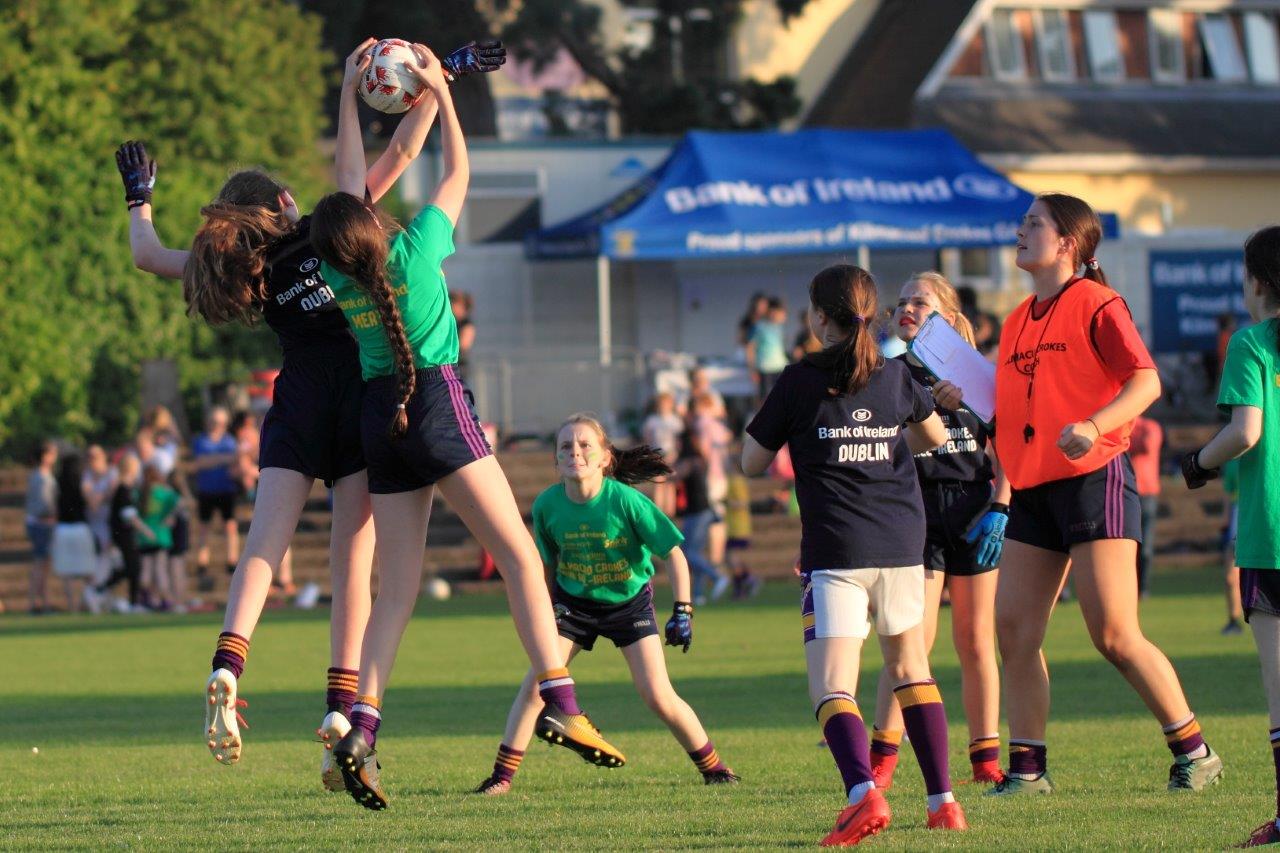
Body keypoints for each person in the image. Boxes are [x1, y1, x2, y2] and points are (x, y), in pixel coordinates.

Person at [118, 38, 502, 778]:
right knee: (351, 561)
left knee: (266, 543)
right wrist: (434, 77)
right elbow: (402, 144)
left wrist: (141, 198)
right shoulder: (330, 233)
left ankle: (230, 658)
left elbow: (146, 254)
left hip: (295, 403)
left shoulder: (247, 267)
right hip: (361, 398)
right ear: (286, 204)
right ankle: (338, 702)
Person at [310, 44, 620, 811]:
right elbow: (457, 173)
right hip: (438, 400)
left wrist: (353, 96)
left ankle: (363, 731)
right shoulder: (413, 251)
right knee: (519, 557)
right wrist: (443, 97)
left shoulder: (334, 273)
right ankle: (564, 703)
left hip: (381, 413)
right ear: (371, 222)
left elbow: (348, 191)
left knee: (396, 595)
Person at [934, 193, 1221, 795]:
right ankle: (1029, 769)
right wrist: (969, 404)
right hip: (1034, 489)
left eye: (1033, 224)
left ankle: (1194, 749)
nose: (1020, 231)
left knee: (1114, 634)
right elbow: (1011, 413)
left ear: (1069, 243)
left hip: (1096, 478)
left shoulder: (1097, 302)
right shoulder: (1015, 320)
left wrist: (1093, 425)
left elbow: (1147, 380)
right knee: (1012, 630)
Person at [742, 263, 966, 845]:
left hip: (837, 551)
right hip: (900, 546)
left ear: (820, 318)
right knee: (911, 670)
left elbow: (750, 462)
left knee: (832, 687)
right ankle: (944, 802)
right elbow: (935, 439)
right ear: (873, 314)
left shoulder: (797, 380)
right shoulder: (894, 376)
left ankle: (863, 795)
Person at [473, 414, 739, 795]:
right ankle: (501, 778)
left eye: (585, 445)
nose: (575, 452)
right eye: (565, 446)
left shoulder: (626, 501)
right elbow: (545, 568)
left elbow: (675, 555)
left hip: (628, 605)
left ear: (604, 458)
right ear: (556, 459)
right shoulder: (548, 505)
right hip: (573, 606)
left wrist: (683, 610)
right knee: (535, 688)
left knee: (657, 695)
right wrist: (544, 612)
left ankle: (715, 769)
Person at [870, 272, 1009, 790]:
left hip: (974, 509)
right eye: (902, 301)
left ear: (949, 318)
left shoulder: (981, 375)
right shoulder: (890, 374)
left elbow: (1011, 447)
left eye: (920, 302)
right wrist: (930, 413)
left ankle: (985, 760)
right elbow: (882, 449)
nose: (906, 308)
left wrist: (1002, 504)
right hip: (917, 513)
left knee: (976, 641)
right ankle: (881, 758)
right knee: (912, 642)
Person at [1178, 225, 1280, 846]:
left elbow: (1245, 432)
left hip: (1270, 535)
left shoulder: (1251, 343)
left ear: (1260, 282)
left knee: (1279, 689)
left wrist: (1199, 463)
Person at [89, 453, 150, 613]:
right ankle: (126, 600)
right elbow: (128, 515)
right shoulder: (123, 489)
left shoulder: (126, 488)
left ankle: (104, 590)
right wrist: (146, 531)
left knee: (131, 567)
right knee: (133, 567)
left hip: (123, 533)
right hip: (123, 534)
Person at [192, 407, 241, 584]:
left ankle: (231, 562)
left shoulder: (229, 441)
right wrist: (224, 459)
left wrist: (213, 460)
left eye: (220, 423)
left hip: (226, 490)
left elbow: (235, 460)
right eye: (214, 422)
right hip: (206, 490)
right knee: (204, 528)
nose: (217, 426)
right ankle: (202, 563)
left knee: (230, 526)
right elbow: (200, 462)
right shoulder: (201, 440)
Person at [137, 463, 179, 610]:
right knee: (160, 570)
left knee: (146, 570)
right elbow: (179, 502)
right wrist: (171, 516)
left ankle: (146, 597)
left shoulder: (140, 492)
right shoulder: (165, 492)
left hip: (144, 536)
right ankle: (165, 600)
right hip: (161, 535)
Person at [1130, 415, 1163, 597]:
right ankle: (1131, 587)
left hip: (1147, 493)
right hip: (1127, 493)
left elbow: (1148, 447)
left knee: (1146, 547)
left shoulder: (1150, 427)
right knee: (1129, 546)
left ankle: (1143, 587)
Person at [81, 444, 118, 600]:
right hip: (93, 524)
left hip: (110, 523)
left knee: (110, 559)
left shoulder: (112, 473)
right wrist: (99, 497)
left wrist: (98, 497)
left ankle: (103, 593)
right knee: (95, 560)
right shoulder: (86, 475)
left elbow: (108, 494)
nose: (92, 460)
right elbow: (90, 501)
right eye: (89, 456)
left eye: (95, 456)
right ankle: (95, 595)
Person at [25, 440, 58, 614]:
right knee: (40, 565)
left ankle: (43, 602)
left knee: (44, 566)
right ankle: (35, 603)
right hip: (41, 524)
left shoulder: (39, 475)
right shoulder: (41, 477)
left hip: (38, 523)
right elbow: (44, 506)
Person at [641, 391, 683, 518]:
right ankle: (658, 512)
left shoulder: (675, 421)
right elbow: (647, 439)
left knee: (670, 484)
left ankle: (670, 512)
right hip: (657, 453)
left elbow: (679, 440)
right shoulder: (652, 421)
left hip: (671, 454)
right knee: (658, 483)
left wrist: (676, 454)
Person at [747, 297, 789, 400]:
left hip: (780, 367)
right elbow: (750, 348)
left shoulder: (779, 327)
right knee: (765, 398)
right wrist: (752, 369)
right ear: (771, 311)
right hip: (765, 368)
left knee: (782, 397)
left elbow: (784, 316)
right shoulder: (759, 326)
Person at [1222, 458, 1245, 635]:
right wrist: (1226, 521)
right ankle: (1233, 620)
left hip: (1262, 513)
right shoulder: (1232, 461)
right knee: (1231, 577)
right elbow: (1228, 495)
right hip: (1239, 516)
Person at [450, 290, 475, 379]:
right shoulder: (452, 322)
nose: (452, 306)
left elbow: (464, 345)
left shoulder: (467, 325)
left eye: (455, 304)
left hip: (459, 367)